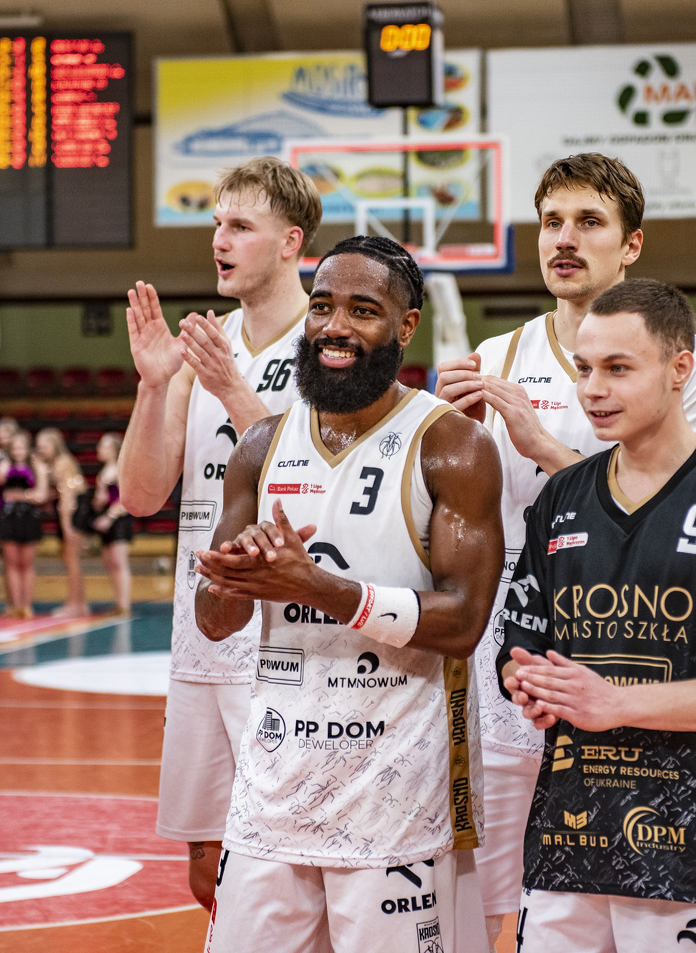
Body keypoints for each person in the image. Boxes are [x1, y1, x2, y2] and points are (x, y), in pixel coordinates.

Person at [433, 152, 696, 943]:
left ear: (632, 245)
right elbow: (453, 524)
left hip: (639, 638)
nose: (564, 239)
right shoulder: (492, 361)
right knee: (481, 898)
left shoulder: (694, 363)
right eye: (552, 222)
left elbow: (687, 514)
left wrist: (539, 445)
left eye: (589, 222)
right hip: (510, 651)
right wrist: (444, 443)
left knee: (621, 891)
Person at [195, 236, 503, 952]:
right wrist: (242, 574)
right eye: (322, 307)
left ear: (405, 326)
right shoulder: (260, 446)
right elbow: (214, 619)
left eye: (362, 310)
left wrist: (317, 586)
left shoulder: (452, 445)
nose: (335, 327)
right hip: (274, 786)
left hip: (398, 791)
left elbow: (463, 624)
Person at [495, 279, 696, 951]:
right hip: (570, 844)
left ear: (679, 368)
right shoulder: (561, 498)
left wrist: (615, 703)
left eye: (618, 369)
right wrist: (527, 683)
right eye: (585, 369)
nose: (593, 390)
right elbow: (519, 646)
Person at [118, 155, 319, 907]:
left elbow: (314, 484)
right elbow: (140, 495)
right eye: (216, 224)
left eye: (240, 225)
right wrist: (154, 386)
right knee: (208, 870)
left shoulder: (331, 343)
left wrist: (234, 389)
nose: (219, 240)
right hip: (203, 634)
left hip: (291, 642)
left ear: (291, 242)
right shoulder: (197, 349)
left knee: (295, 863)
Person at [36, 427, 91, 617]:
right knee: (70, 559)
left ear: (55, 445)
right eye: (39, 447)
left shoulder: (62, 463)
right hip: (72, 509)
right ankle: (81, 604)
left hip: (73, 511)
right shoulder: (57, 463)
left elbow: (68, 496)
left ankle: (74, 604)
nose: (41, 450)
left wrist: (67, 525)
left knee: (71, 559)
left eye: (45, 446)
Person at [0, 430, 49, 618]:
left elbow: (41, 495)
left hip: (28, 516)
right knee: (12, 563)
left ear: (28, 449)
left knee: (27, 563)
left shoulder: (37, 466)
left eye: (22, 447)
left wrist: (21, 496)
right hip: (9, 517)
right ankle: (15, 605)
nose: (18, 451)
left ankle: (26, 605)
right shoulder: (4, 465)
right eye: (15, 448)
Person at [90, 432, 134, 615]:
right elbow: (101, 500)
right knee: (109, 562)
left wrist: (109, 517)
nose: (99, 449)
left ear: (114, 450)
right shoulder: (102, 473)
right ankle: (118, 602)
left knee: (119, 562)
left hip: (118, 520)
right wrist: (98, 502)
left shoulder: (120, 470)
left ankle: (125, 604)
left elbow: (124, 500)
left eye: (104, 446)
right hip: (106, 519)